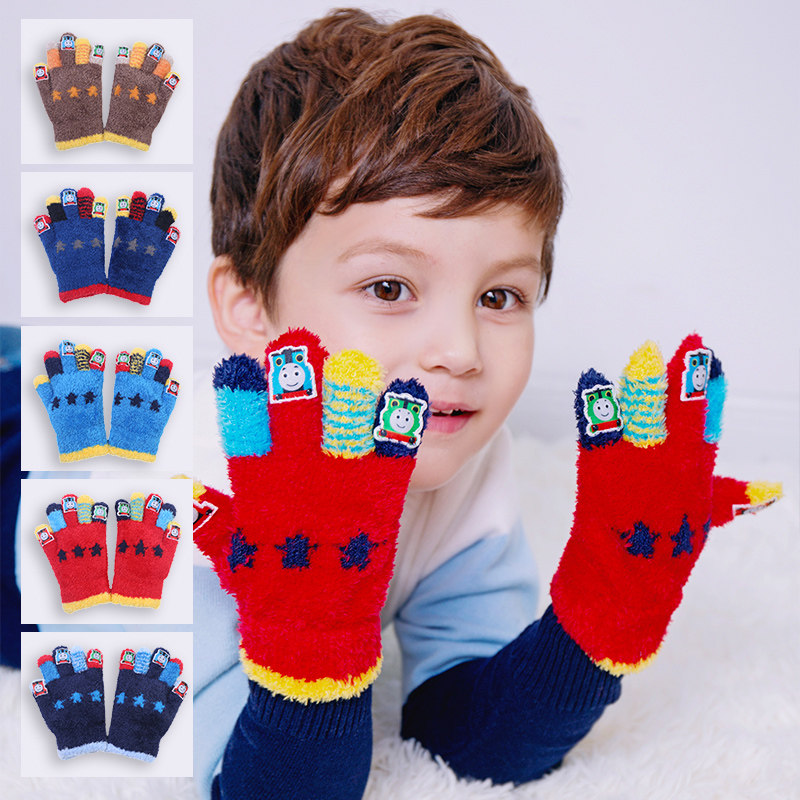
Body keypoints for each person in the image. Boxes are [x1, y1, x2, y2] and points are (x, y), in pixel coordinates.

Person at [193, 9, 777, 799]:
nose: (461, 351)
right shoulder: (199, 497)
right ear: (249, 309)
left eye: (500, 296)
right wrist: (311, 651)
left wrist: (599, 617)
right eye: (389, 288)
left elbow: (464, 737)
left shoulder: (456, 452)